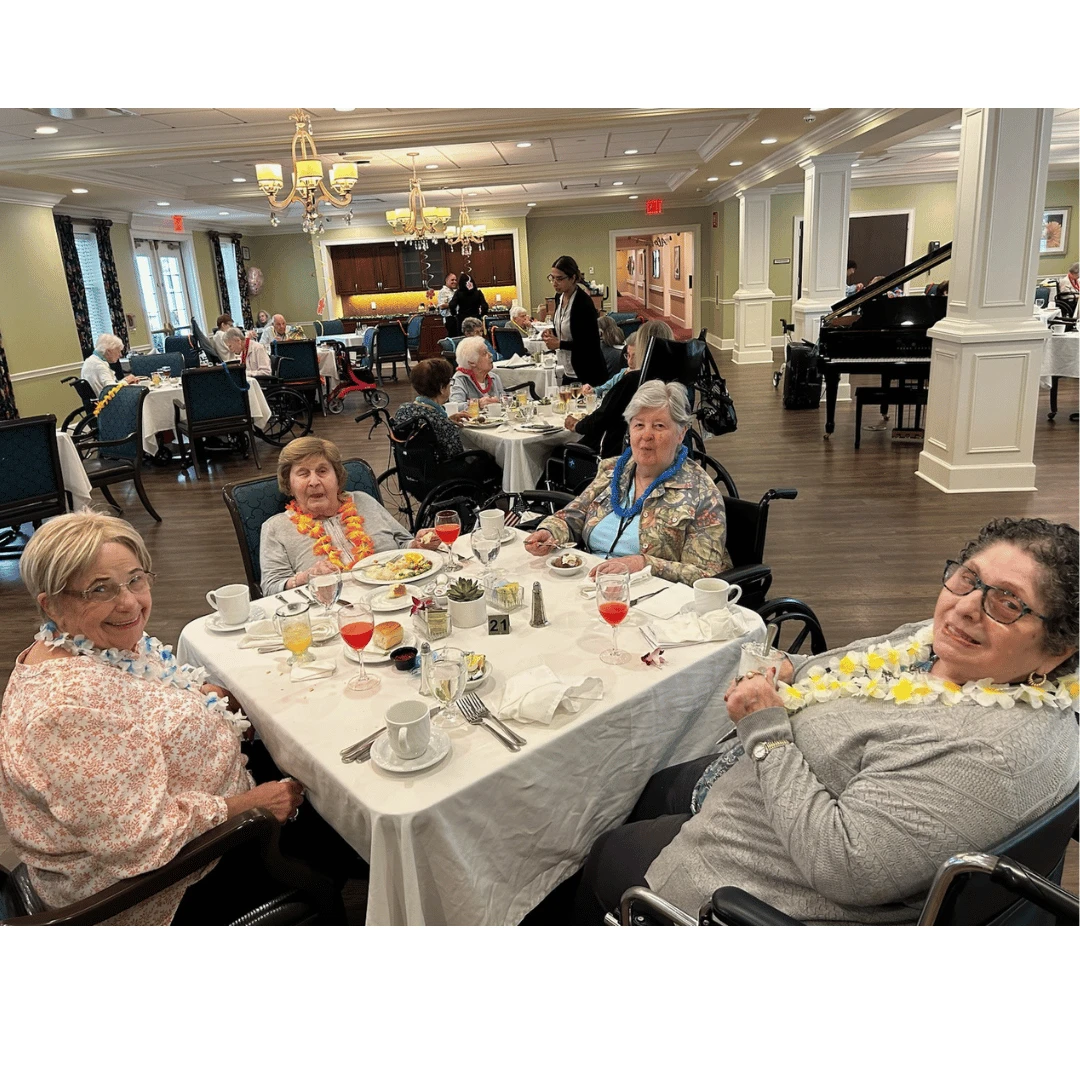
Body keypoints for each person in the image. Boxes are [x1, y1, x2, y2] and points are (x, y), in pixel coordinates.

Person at [573, 517, 1080, 925]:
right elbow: (851, 661)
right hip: (751, 786)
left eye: (1007, 603)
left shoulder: (990, 754)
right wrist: (796, 669)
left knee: (604, 852)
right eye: (969, 579)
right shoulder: (942, 643)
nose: (966, 608)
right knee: (653, 786)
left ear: (1057, 651)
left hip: (752, 880)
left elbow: (847, 867)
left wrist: (767, 732)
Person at [0, 512, 340, 925]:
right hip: (168, 882)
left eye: (135, 579)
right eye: (98, 590)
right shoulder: (64, 710)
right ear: (51, 605)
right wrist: (253, 804)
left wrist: (203, 698)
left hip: (202, 809)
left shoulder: (96, 642)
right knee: (338, 816)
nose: (128, 603)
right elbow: (142, 843)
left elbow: (138, 694)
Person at [525, 380, 731, 584]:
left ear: (681, 433)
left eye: (659, 426)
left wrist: (644, 565)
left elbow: (706, 575)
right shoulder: (613, 470)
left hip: (652, 599)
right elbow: (571, 516)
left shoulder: (701, 493)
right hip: (590, 584)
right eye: (639, 425)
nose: (646, 435)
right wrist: (549, 532)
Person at [259, 437, 443, 596]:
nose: (314, 482)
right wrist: (306, 577)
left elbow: (404, 543)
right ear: (289, 485)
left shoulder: (363, 501)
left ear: (337, 477)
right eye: (303, 473)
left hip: (399, 593)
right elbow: (270, 588)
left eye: (322, 471)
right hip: (331, 611)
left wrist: (417, 545)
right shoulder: (276, 527)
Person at [570, 319, 674, 455]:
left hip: (624, 450)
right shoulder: (675, 379)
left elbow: (603, 416)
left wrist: (577, 425)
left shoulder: (634, 380)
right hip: (666, 448)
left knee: (558, 452)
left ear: (643, 347)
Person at [540, 255, 606, 387]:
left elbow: (589, 343)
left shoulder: (583, 304)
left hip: (587, 371)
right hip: (569, 370)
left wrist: (559, 344)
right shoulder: (559, 296)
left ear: (573, 278)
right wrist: (552, 332)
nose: (554, 283)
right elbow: (568, 327)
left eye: (559, 279)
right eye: (552, 278)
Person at [394, 358, 469, 461]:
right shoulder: (441, 423)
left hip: (411, 470)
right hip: (443, 472)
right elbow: (457, 455)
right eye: (450, 381)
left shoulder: (403, 410)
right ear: (442, 388)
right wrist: (447, 424)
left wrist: (447, 420)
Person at [448, 335, 506, 408]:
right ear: (472, 362)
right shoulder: (459, 380)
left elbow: (503, 398)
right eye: (485, 353)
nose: (491, 355)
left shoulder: (494, 377)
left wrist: (503, 400)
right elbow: (454, 407)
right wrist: (477, 404)